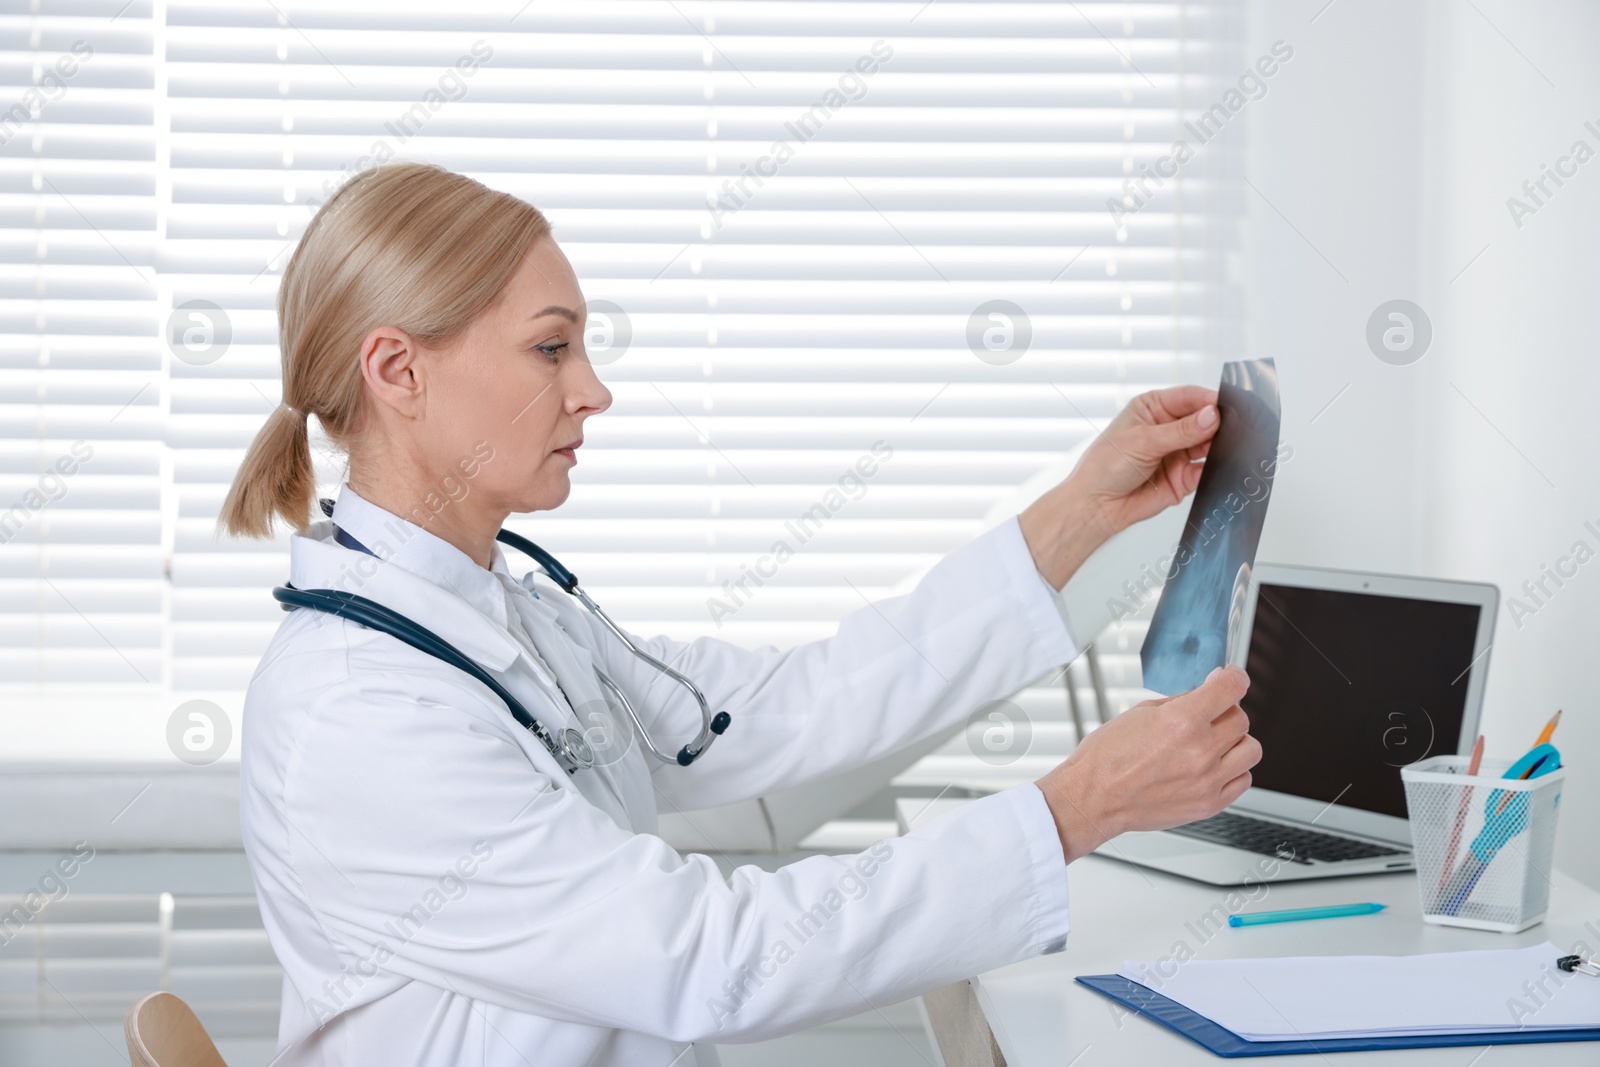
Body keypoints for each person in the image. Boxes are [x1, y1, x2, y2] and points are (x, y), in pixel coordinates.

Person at [222, 161, 1260, 1067]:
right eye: (551, 348)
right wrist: (1074, 805)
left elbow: (777, 706)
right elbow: (706, 958)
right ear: (399, 369)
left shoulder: (507, 620)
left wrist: (1080, 510)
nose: (593, 391)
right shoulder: (359, 712)